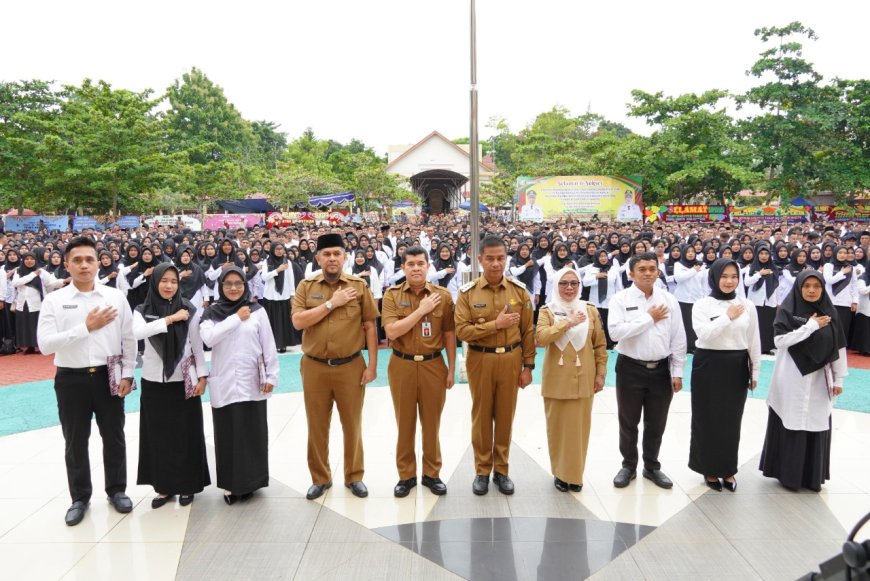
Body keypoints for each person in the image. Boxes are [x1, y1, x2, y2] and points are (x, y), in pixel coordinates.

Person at [36, 236, 136, 526]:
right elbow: (44, 345)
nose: (84, 265)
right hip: (71, 379)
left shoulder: (114, 297)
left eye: (89, 259)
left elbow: (128, 338)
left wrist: (128, 373)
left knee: (114, 437)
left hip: (109, 376)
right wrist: (85, 328)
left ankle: (117, 490)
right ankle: (79, 497)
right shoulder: (55, 300)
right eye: (77, 260)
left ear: (98, 262)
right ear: (66, 264)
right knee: (75, 441)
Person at [291, 233, 379, 501]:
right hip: (315, 366)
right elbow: (298, 321)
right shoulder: (306, 287)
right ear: (317, 258)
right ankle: (320, 478)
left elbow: (369, 326)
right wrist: (331, 304)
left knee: (352, 424)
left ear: (345, 257)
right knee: (316, 425)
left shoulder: (359, 286)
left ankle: (354, 476)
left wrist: (373, 364)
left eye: (336, 254)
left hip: (350, 366)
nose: (331, 259)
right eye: (326, 254)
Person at [455, 235, 535, 496]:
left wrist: (528, 366)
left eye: (500, 258)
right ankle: (481, 470)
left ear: (506, 258)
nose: (495, 264)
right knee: (481, 416)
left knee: (504, 416)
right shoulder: (468, 293)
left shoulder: (519, 291)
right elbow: (462, 331)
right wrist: (495, 325)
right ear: (479, 260)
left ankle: (502, 470)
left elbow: (527, 332)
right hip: (480, 359)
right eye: (489, 259)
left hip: (511, 359)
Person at [759, 270, 848, 492]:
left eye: (816, 286)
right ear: (798, 287)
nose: (811, 290)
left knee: (815, 421)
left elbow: (839, 347)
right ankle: (787, 476)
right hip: (791, 377)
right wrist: (810, 327)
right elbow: (780, 341)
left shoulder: (830, 312)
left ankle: (811, 477)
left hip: (820, 378)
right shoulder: (787, 311)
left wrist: (840, 379)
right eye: (806, 285)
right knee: (790, 419)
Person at [133, 262, 210, 508]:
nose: (169, 285)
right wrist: (169, 319)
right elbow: (137, 333)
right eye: (164, 280)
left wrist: (202, 376)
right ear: (155, 282)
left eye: (173, 281)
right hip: (153, 381)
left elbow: (197, 346)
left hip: (184, 379)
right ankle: (164, 487)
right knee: (158, 436)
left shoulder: (189, 309)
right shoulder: (142, 309)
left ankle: (188, 484)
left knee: (186, 434)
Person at [381, 246, 456, 497]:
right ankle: (406, 475)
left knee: (432, 423)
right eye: (410, 264)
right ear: (402, 268)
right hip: (401, 363)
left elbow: (449, 334)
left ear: (428, 266)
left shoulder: (443, 296)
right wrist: (421, 310)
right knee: (405, 423)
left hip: (434, 365)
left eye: (420, 263)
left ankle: (432, 473)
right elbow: (392, 332)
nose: (415, 268)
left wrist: (451, 369)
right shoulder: (392, 295)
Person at [200, 266, 278, 504]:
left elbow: (268, 345)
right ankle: (231, 485)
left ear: (245, 285)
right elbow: (209, 338)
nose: (233, 288)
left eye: (238, 283)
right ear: (220, 287)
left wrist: (271, 376)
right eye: (228, 284)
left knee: (253, 433)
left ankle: (253, 482)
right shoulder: (212, 313)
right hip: (225, 383)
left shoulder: (257, 311)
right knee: (229, 435)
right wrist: (235, 318)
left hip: (253, 380)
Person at [608, 252, 687, 489]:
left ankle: (652, 466)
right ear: (631, 274)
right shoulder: (620, 299)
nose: (648, 273)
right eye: (642, 269)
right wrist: (648, 318)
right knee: (628, 421)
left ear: (659, 272)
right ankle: (628, 465)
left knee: (656, 422)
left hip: (661, 370)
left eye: (652, 268)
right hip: (630, 368)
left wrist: (678, 371)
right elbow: (615, 333)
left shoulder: (669, 300)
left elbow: (678, 336)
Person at [689, 259, 761, 492]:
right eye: (724, 276)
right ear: (714, 277)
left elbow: (753, 340)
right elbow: (703, 335)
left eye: (734, 276)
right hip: (708, 364)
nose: (729, 281)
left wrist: (755, 370)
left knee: (731, 420)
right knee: (706, 419)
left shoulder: (747, 305)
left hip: (736, 365)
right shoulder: (702, 305)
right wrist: (727, 316)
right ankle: (708, 468)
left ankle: (728, 469)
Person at [535, 267, 607, 492]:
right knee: (556, 428)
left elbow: (600, 345)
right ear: (556, 285)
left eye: (574, 284)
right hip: (556, 379)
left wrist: (601, 373)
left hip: (583, 378)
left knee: (579, 430)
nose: (569, 288)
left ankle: (574, 475)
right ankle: (560, 472)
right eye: (564, 283)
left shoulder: (590, 310)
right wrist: (568, 322)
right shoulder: (548, 310)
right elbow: (541, 338)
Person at [12, 251, 58, 353]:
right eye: (27, 259)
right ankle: (29, 346)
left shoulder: (41, 271)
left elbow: (51, 283)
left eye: (31, 259)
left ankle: (41, 346)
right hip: (23, 303)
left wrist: (64, 281)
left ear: (35, 260)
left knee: (37, 325)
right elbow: (15, 283)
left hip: (37, 303)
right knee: (25, 325)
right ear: (23, 261)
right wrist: (33, 274)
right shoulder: (19, 271)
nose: (29, 261)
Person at [261, 243, 296, 353]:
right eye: (277, 249)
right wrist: (277, 270)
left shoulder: (287, 262)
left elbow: (291, 279)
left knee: (283, 321)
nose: (280, 251)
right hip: (270, 296)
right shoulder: (267, 261)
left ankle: (283, 345)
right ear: (272, 250)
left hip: (284, 296)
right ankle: (272, 344)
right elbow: (264, 277)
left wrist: (292, 295)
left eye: (281, 249)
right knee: (272, 322)